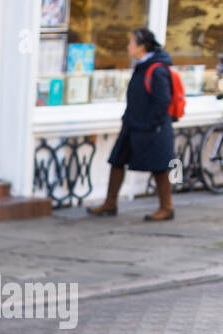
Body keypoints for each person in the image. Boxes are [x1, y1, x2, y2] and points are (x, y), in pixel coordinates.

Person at [88, 28, 176, 221]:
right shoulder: (143, 66)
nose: (128, 47)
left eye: (131, 43)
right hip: (132, 124)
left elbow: (163, 101)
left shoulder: (157, 69)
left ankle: (167, 208)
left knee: (160, 167)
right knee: (117, 160)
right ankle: (110, 204)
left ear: (141, 46)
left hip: (153, 128)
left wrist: (149, 123)